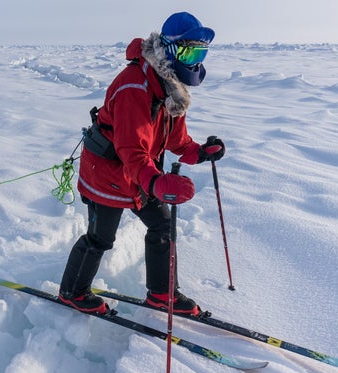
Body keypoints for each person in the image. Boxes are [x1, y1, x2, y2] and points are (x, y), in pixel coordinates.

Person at [58, 12, 226, 315]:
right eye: (190, 51)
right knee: (100, 238)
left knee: (162, 224)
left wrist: (201, 152)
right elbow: (130, 149)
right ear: (170, 49)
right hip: (107, 173)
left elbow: (176, 140)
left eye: (201, 53)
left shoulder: (171, 88)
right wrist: (156, 182)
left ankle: (163, 294)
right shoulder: (134, 86)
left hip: (139, 174)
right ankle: (72, 292)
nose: (195, 60)